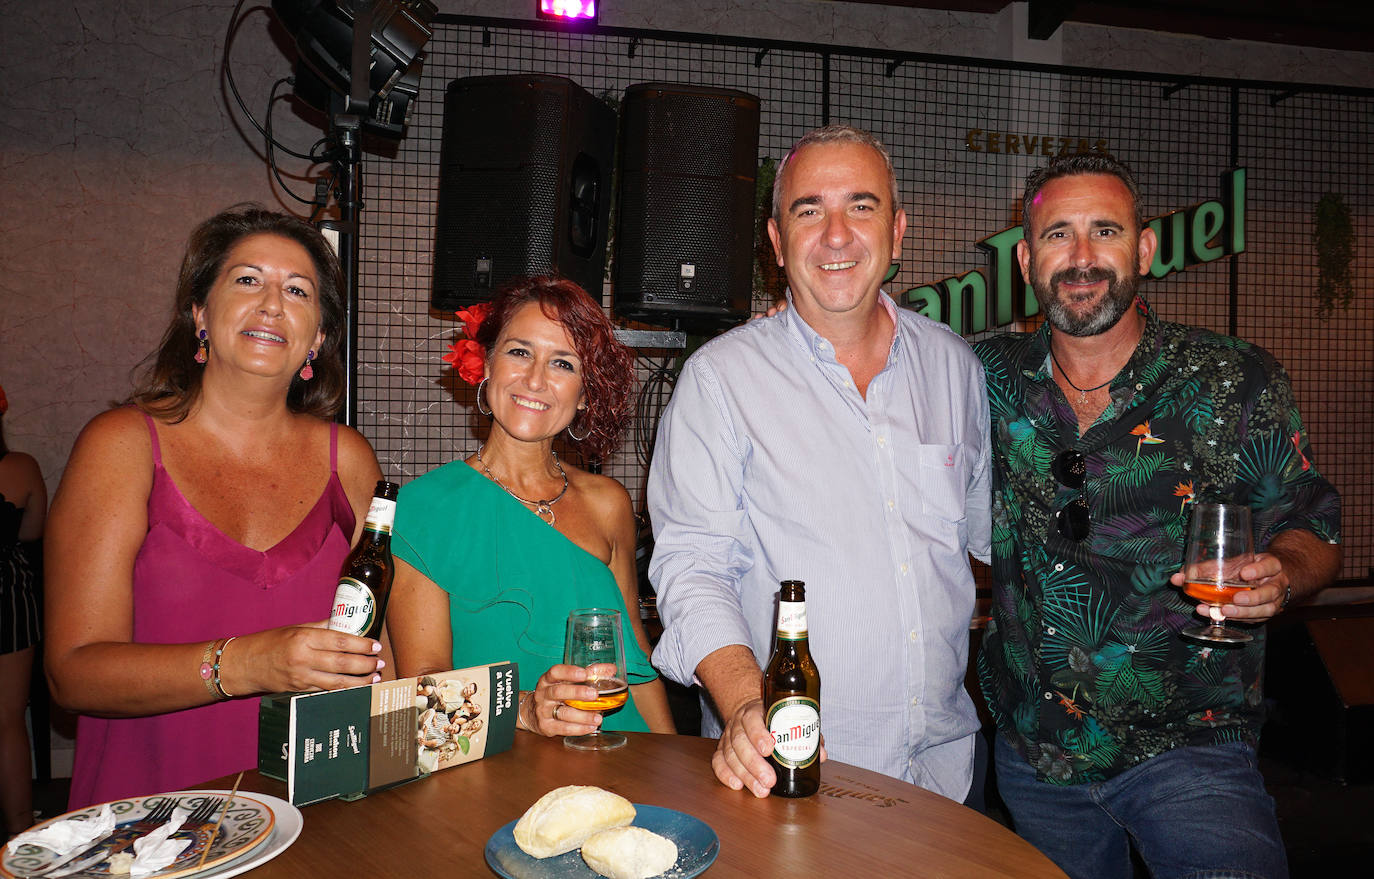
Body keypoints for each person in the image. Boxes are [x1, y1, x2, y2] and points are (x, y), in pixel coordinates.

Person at [975, 153, 1342, 879]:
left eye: (1105, 231)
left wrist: (1285, 572)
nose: (1082, 258)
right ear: (1025, 259)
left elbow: (1312, 524)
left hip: (1192, 753)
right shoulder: (980, 377)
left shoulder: (1234, 378)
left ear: (1144, 248)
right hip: (1037, 758)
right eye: (1058, 235)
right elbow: (873, 360)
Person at [648, 125, 992, 801]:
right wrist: (751, 704)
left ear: (897, 232)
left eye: (861, 207)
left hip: (949, 774)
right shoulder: (720, 380)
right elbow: (692, 567)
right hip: (794, 772)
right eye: (809, 210)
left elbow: (990, 540)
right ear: (777, 243)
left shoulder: (956, 368)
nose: (836, 235)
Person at [45, 206, 387, 808]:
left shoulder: (351, 460)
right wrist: (250, 663)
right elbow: (72, 673)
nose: (273, 304)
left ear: (320, 337)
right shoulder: (121, 445)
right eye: (248, 280)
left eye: (297, 290)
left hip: (316, 816)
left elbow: (392, 656)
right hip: (147, 821)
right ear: (200, 313)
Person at [387, 276, 673, 737]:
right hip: (496, 775)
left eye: (562, 363)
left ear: (584, 394)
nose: (536, 379)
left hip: (624, 757)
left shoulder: (609, 503)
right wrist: (525, 708)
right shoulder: (424, 508)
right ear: (486, 364)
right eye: (520, 352)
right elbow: (420, 691)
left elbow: (635, 665)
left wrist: (674, 767)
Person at [0, 383, 47, 837]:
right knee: (9, 720)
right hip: (7, 600)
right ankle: (19, 829)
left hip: (9, 601)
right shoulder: (19, 468)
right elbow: (33, 532)